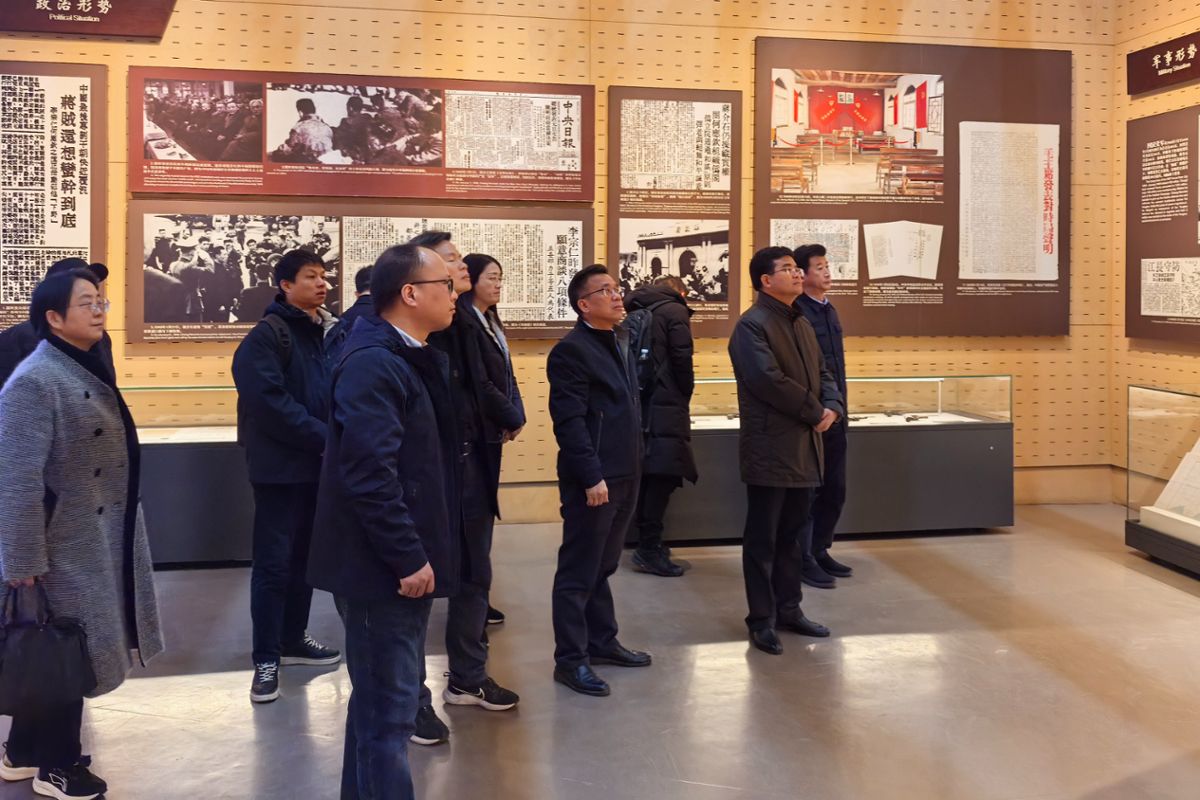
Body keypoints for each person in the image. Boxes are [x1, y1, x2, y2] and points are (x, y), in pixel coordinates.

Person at [0, 268, 163, 800]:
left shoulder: (77, 365)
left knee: (55, 643)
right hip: (60, 541)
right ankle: (57, 766)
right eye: (86, 302)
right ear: (53, 317)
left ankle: (23, 750)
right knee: (65, 648)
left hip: (88, 531)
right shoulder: (36, 380)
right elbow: (16, 480)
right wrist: (23, 562)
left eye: (101, 301)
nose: (99, 310)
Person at [308, 244, 461, 800]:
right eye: (446, 283)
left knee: (379, 705)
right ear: (411, 293)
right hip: (381, 569)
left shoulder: (406, 354)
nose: (456, 292)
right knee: (389, 714)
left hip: (393, 562)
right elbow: (370, 473)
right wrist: (407, 555)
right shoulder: (375, 362)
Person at [407, 233, 521, 747]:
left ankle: (468, 678)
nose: (464, 267)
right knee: (416, 593)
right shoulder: (399, 340)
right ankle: (410, 701)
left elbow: (482, 386)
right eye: (452, 260)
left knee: (476, 576)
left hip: (473, 469)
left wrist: (503, 416)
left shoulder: (464, 322)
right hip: (431, 481)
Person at [231, 249, 341, 705]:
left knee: (304, 561)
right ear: (285, 285)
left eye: (323, 276)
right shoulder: (266, 337)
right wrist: (324, 437)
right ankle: (266, 657)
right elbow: (269, 403)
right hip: (280, 471)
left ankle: (294, 638)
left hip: (317, 467)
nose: (322, 284)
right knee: (273, 566)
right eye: (310, 277)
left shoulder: (324, 333)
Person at [728, 247, 844, 656]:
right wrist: (815, 412)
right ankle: (762, 619)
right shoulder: (751, 326)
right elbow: (767, 380)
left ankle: (789, 609)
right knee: (764, 539)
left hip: (805, 445)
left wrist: (832, 405)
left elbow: (824, 371)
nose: (797, 275)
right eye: (788, 269)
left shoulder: (801, 321)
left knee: (793, 536)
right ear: (765, 280)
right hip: (770, 447)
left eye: (797, 268)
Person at [547, 264, 651, 698]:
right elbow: (569, 422)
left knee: (604, 564)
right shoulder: (571, 351)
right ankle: (571, 660)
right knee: (579, 568)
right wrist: (591, 476)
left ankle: (602, 641)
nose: (616, 295)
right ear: (584, 304)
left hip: (626, 471)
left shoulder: (618, 340)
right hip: (595, 479)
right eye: (605, 290)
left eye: (616, 288)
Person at [461, 254, 527, 627]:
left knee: (484, 520)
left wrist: (517, 413)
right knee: (474, 522)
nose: (498, 284)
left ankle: (479, 598)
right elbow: (480, 383)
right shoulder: (465, 322)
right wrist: (510, 415)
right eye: (491, 277)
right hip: (476, 433)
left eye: (500, 277)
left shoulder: (489, 320)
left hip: (493, 431)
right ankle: (473, 602)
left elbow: (506, 374)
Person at [623, 274, 697, 578]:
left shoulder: (639, 309)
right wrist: (685, 393)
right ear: (680, 292)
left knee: (649, 476)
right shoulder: (675, 310)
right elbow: (682, 359)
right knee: (662, 478)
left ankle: (648, 543)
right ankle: (649, 548)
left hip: (643, 403)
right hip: (667, 403)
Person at [794, 243, 853, 586]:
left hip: (837, 412)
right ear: (802, 274)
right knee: (809, 491)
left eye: (827, 265)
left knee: (835, 487)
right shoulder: (798, 312)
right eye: (819, 266)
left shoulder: (829, 310)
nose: (827, 271)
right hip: (814, 416)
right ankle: (802, 557)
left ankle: (820, 549)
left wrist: (840, 407)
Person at [0, 257, 113, 387]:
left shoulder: (100, 337)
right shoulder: (18, 337)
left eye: (98, 302)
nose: (98, 312)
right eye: (85, 303)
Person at [272, 98, 333, 163]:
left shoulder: (298, 128)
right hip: (327, 160)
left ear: (300, 112)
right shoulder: (327, 128)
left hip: (308, 162)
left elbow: (289, 148)